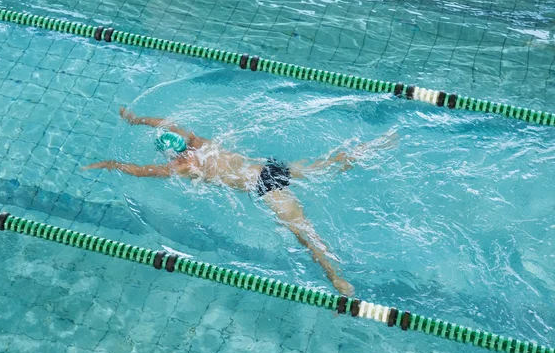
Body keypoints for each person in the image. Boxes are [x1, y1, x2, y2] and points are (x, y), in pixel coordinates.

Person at [83, 107, 398, 296]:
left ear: (171, 153)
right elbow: (165, 124)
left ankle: (337, 280)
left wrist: (109, 164)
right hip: (269, 167)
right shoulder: (197, 141)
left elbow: (141, 171)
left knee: (304, 234)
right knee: (323, 166)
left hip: (262, 186)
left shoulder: (182, 165)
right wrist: (136, 119)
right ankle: (371, 147)